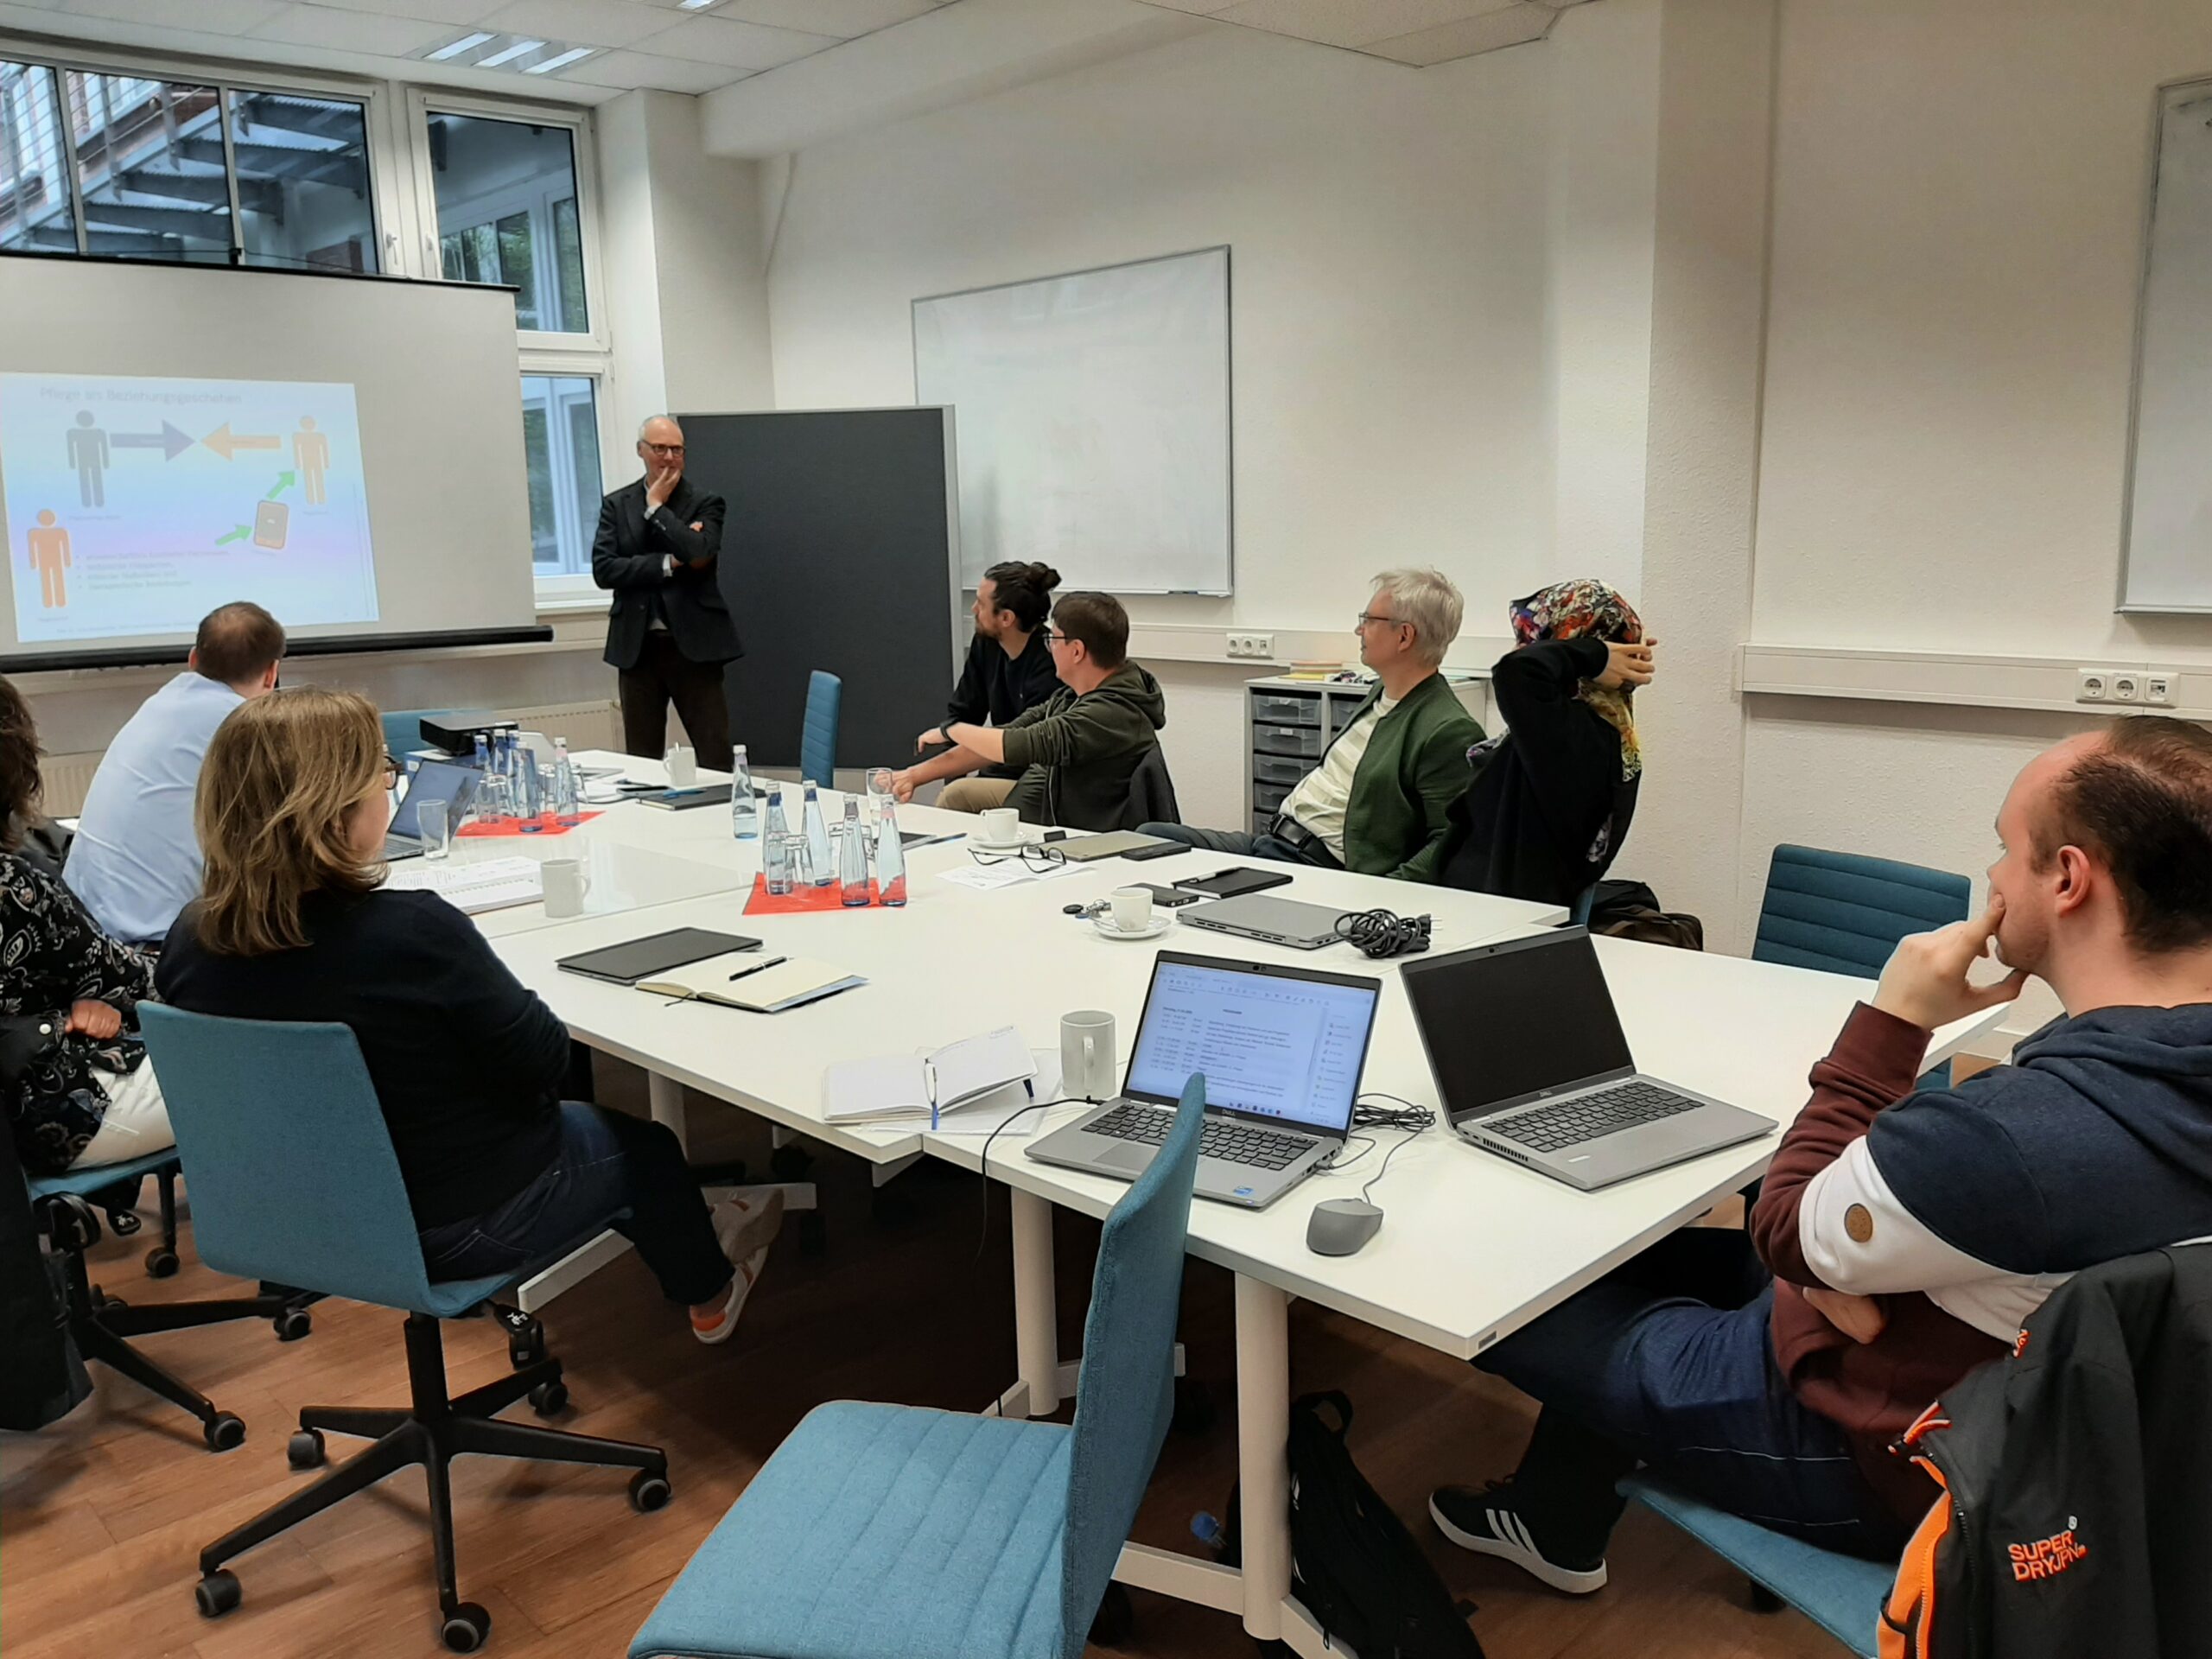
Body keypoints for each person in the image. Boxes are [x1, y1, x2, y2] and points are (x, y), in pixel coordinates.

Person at [1427, 715, 2212, 1592]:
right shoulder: (2147, 1084)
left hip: (1880, 1456)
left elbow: (1784, 1226)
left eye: (2004, 849)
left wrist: (1894, 1021)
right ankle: (1553, 1517)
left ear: (2068, 878)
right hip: (2067, 1437)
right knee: (1631, 1255)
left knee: (1497, 1291)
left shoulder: (2011, 1137)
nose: (1992, 876)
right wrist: (1822, 1274)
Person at [155, 688, 778, 1344]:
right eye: (381, 774)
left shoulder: (192, 939)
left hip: (293, 1209)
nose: (387, 789)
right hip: (454, 1223)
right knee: (648, 1152)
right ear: (335, 810)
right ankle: (711, 1294)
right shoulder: (412, 932)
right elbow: (544, 1062)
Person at [1139, 569, 1483, 878]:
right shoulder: (1381, 692)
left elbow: (1448, 842)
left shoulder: (1447, 728)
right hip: (1275, 843)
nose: (1359, 629)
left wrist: (1382, 897)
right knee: (1149, 838)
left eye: (1369, 620)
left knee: (1156, 852)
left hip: (1314, 867)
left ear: (1404, 636)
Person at [0, 677, 171, 1175]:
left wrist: (55, 1009)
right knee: (257, 1070)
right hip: (47, 1115)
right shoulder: (16, 887)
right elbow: (141, 983)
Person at [1406, 579, 1655, 906]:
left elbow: (1515, 672)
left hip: (1496, 916)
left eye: (1536, 640)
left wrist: (1594, 654)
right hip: (1490, 907)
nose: (1521, 649)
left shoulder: (1580, 731)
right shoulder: (1604, 727)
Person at [66, 601, 284, 948]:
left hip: (81, 926)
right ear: (271, 674)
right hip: (150, 946)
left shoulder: (161, 703)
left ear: (193, 659)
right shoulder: (244, 728)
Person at [906, 592, 1165, 832]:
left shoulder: (1111, 712)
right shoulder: (1072, 695)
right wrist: (912, 776)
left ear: (1076, 651)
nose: (1049, 647)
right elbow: (1005, 737)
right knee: (958, 794)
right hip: (1056, 804)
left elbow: (1019, 744)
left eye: (1054, 639)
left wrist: (951, 730)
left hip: (1080, 828)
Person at [593, 415, 740, 773]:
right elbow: (605, 570)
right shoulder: (617, 505)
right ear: (641, 451)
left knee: (715, 755)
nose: (670, 457)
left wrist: (656, 508)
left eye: (677, 450)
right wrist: (666, 563)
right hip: (637, 647)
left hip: (695, 644)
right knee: (641, 759)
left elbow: (699, 552)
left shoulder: (706, 502)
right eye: (660, 448)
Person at [893, 561, 1063, 814]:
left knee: (957, 796)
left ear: (1006, 618)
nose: (974, 609)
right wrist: (951, 774)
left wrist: (919, 774)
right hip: (996, 766)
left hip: (1032, 779)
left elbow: (1014, 744)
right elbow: (964, 713)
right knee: (954, 794)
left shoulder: (1050, 666)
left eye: (981, 604)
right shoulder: (987, 643)